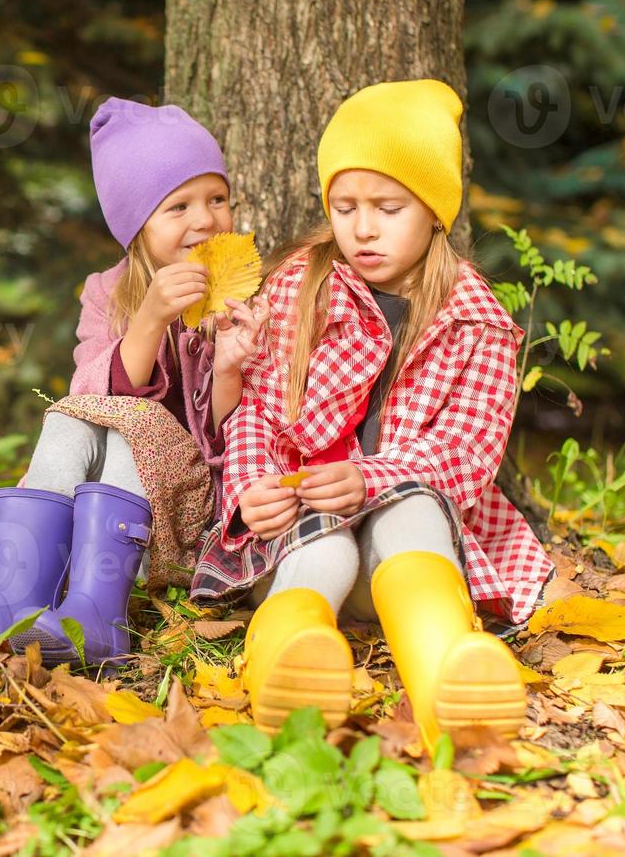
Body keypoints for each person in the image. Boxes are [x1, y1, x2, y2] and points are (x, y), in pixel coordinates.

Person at [193, 79, 556, 751]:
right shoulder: (301, 288)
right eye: (344, 205)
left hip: (406, 549)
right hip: (301, 534)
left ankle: (445, 668)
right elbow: (254, 413)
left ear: (435, 213)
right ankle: (287, 662)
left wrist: (373, 478)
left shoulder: (474, 319)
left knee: (411, 508)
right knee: (324, 542)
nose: (362, 228)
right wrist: (250, 491)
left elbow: (469, 453)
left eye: (389, 207)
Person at [0, 97, 269, 670]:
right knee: (73, 412)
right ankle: (18, 601)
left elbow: (239, 431)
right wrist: (149, 320)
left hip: (184, 515)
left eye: (217, 198)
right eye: (178, 206)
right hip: (97, 523)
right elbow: (91, 394)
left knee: (136, 422)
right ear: (136, 225)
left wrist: (228, 363)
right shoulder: (109, 293)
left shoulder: (245, 295)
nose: (205, 219)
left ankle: (98, 619)